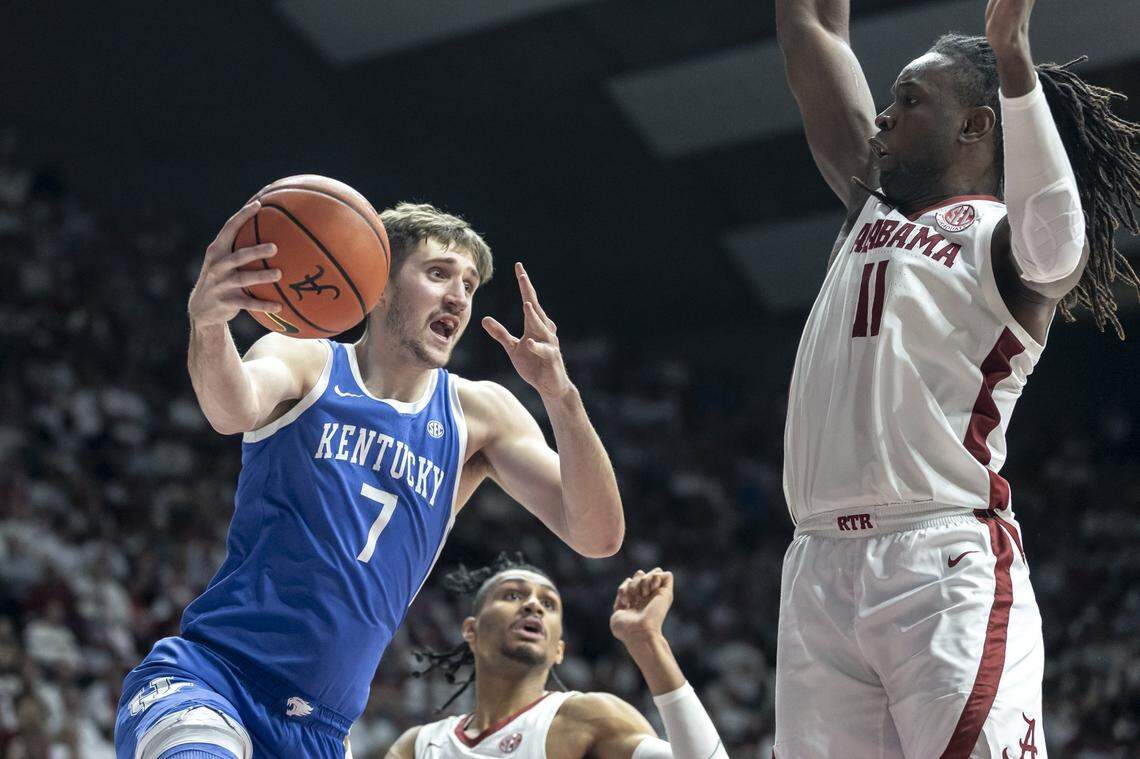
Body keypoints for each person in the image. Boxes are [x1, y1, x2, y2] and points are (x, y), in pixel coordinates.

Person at [114, 201, 625, 758]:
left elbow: (597, 535)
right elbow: (230, 409)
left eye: (470, 284)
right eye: (437, 274)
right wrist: (209, 324)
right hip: (214, 681)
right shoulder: (307, 361)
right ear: (375, 284)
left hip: (322, 730)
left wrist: (561, 395)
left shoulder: (479, 415)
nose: (458, 295)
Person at [773, 0, 1139, 756]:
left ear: (976, 125)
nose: (883, 114)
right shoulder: (864, 206)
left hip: (936, 560)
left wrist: (1013, 61)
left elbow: (1060, 250)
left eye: (909, 100)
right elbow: (814, 27)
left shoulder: (1006, 241)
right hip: (815, 563)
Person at [385, 556, 726, 759]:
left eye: (548, 604)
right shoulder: (419, 745)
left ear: (558, 650)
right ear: (470, 630)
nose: (533, 605)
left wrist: (647, 642)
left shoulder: (589, 718)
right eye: (512, 595)